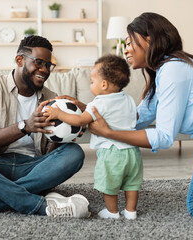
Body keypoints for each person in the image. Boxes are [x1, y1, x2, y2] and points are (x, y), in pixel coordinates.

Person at [79, 12, 193, 224]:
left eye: (129, 43)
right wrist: (86, 112)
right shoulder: (165, 73)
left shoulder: (172, 69)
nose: (125, 50)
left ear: (149, 39)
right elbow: (132, 119)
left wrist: (108, 133)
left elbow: (164, 137)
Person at [0, 35, 90, 221]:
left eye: (48, 65)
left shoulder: (52, 98)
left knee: (74, 153)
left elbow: (50, 153)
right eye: (38, 62)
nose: (44, 70)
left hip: (33, 167)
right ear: (19, 60)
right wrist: (25, 126)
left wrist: (66, 134)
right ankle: (41, 206)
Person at [45, 55, 142, 220]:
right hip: (132, 151)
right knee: (132, 183)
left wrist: (59, 113)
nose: (91, 85)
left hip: (111, 152)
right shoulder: (129, 100)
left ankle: (112, 213)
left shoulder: (97, 103)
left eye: (92, 81)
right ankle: (131, 211)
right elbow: (136, 117)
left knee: (109, 184)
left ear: (103, 84)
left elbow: (81, 120)